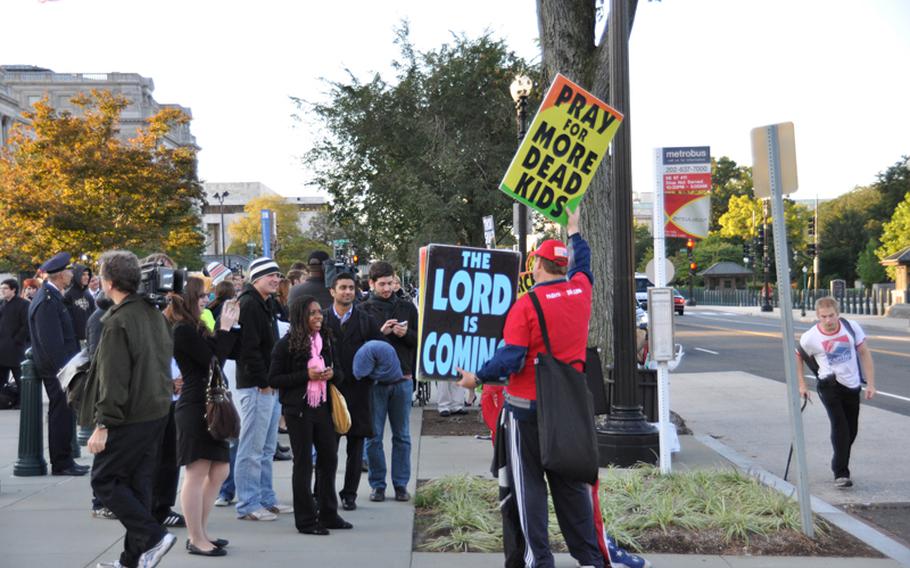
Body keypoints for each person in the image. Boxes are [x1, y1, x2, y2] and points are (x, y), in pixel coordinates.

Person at [457, 206, 649, 568]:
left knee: (528, 489)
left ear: (537, 266)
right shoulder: (582, 292)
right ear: (563, 266)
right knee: (571, 487)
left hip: (525, 411)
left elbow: (510, 360)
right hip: (569, 412)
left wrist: (477, 378)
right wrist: (574, 230)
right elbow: (585, 265)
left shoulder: (525, 306)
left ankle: (538, 560)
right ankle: (589, 557)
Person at [81, 250, 178, 568]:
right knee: (138, 486)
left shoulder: (118, 322)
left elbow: (114, 381)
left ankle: (153, 537)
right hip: (156, 411)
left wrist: (103, 424)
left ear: (108, 283)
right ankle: (131, 560)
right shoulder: (153, 314)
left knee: (104, 480)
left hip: (132, 415)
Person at [269, 296, 353, 534]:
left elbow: (341, 373)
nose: (318, 316)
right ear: (300, 317)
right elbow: (274, 379)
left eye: (319, 312)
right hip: (299, 411)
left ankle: (328, 514)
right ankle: (305, 520)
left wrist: (331, 374)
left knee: (329, 459)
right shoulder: (285, 345)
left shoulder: (325, 340)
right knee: (304, 463)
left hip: (323, 407)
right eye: (312, 313)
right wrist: (306, 375)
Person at [166, 288, 239, 556]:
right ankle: (196, 538)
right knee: (196, 473)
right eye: (201, 296)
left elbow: (227, 351)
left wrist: (229, 327)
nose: (206, 300)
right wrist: (225, 328)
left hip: (209, 404)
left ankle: (202, 532)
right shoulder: (183, 330)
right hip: (195, 405)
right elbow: (213, 360)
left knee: (220, 470)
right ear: (188, 300)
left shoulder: (198, 325)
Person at [234, 256, 292, 521]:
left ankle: (266, 498)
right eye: (271, 275)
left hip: (269, 384)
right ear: (255, 277)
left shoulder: (266, 303)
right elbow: (248, 350)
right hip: (257, 387)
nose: (276, 279)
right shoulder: (248, 304)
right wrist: (264, 382)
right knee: (252, 449)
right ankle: (247, 503)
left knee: (267, 448)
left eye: (278, 275)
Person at [797, 296, 876, 488]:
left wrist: (871, 383)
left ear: (837, 314)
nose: (828, 321)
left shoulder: (851, 327)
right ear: (818, 316)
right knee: (840, 426)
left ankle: (839, 459)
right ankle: (841, 473)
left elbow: (864, 353)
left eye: (831, 316)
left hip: (852, 385)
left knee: (851, 430)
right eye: (823, 317)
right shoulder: (810, 337)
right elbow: (798, 356)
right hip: (829, 385)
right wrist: (802, 385)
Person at [322, 272, 384, 510]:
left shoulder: (365, 320)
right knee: (328, 447)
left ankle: (350, 494)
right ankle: (323, 492)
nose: (347, 292)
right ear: (332, 291)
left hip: (359, 391)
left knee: (356, 449)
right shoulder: (322, 318)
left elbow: (379, 349)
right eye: (343, 288)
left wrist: (370, 375)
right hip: (329, 391)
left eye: (351, 288)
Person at [27, 252, 87, 476]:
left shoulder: (52, 296)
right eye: (69, 271)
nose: (72, 274)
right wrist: (66, 370)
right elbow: (51, 342)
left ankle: (65, 460)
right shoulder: (47, 300)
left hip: (61, 368)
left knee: (64, 414)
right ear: (60, 275)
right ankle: (62, 463)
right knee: (60, 414)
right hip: (58, 370)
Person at [353, 339, 412, 503]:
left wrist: (406, 333)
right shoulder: (370, 313)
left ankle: (401, 485)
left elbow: (417, 342)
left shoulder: (410, 312)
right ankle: (378, 485)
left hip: (403, 379)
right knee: (373, 436)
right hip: (377, 384)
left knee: (402, 436)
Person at [0, 278, 29, 398]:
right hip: (2, 348)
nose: (2, 291)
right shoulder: (1, 304)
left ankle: (24, 401)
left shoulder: (23, 304)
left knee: (19, 377)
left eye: (5, 288)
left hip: (16, 349)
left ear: (14, 290)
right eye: (1, 288)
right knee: (1, 378)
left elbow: (26, 325)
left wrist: (17, 340)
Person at [63, 263, 96, 342]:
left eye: (88, 274)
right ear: (77, 275)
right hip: (76, 340)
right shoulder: (68, 295)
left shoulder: (88, 294)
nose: (87, 277)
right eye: (83, 275)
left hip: (90, 336)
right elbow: (67, 319)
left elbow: (93, 314)